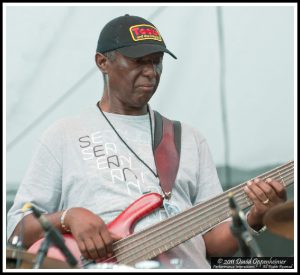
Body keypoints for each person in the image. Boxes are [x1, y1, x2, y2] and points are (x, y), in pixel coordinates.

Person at [7, 14, 287, 269]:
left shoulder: (190, 139)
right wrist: (69, 217)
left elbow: (213, 242)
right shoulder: (64, 135)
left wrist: (255, 217)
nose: (152, 72)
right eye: (139, 61)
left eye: (156, 61)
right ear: (102, 62)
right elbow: (16, 231)